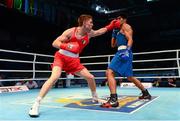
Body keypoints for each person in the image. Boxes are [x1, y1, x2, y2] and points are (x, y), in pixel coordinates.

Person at [29, 14, 121, 117]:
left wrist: (110, 26)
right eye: (90, 22)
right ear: (84, 23)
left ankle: (95, 97)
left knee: (90, 77)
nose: (92, 24)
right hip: (61, 57)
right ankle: (36, 103)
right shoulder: (70, 32)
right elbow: (55, 43)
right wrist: (67, 46)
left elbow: (100, 31)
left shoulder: (89, 33)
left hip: (74, 61)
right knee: (54, 77)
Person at [101, 14, 151, 108]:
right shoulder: (118, 30)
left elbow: (130, 39)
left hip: (123, 52)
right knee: (130, 77)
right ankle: (146, 93)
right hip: (120, 51)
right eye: (116, 19)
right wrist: (113, 34)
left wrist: (127, 50)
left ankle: (113, 99)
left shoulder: (125, 26)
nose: (117, 20)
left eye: (119, 18)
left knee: (109, 72)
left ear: (124, 20)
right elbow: (113, 45)